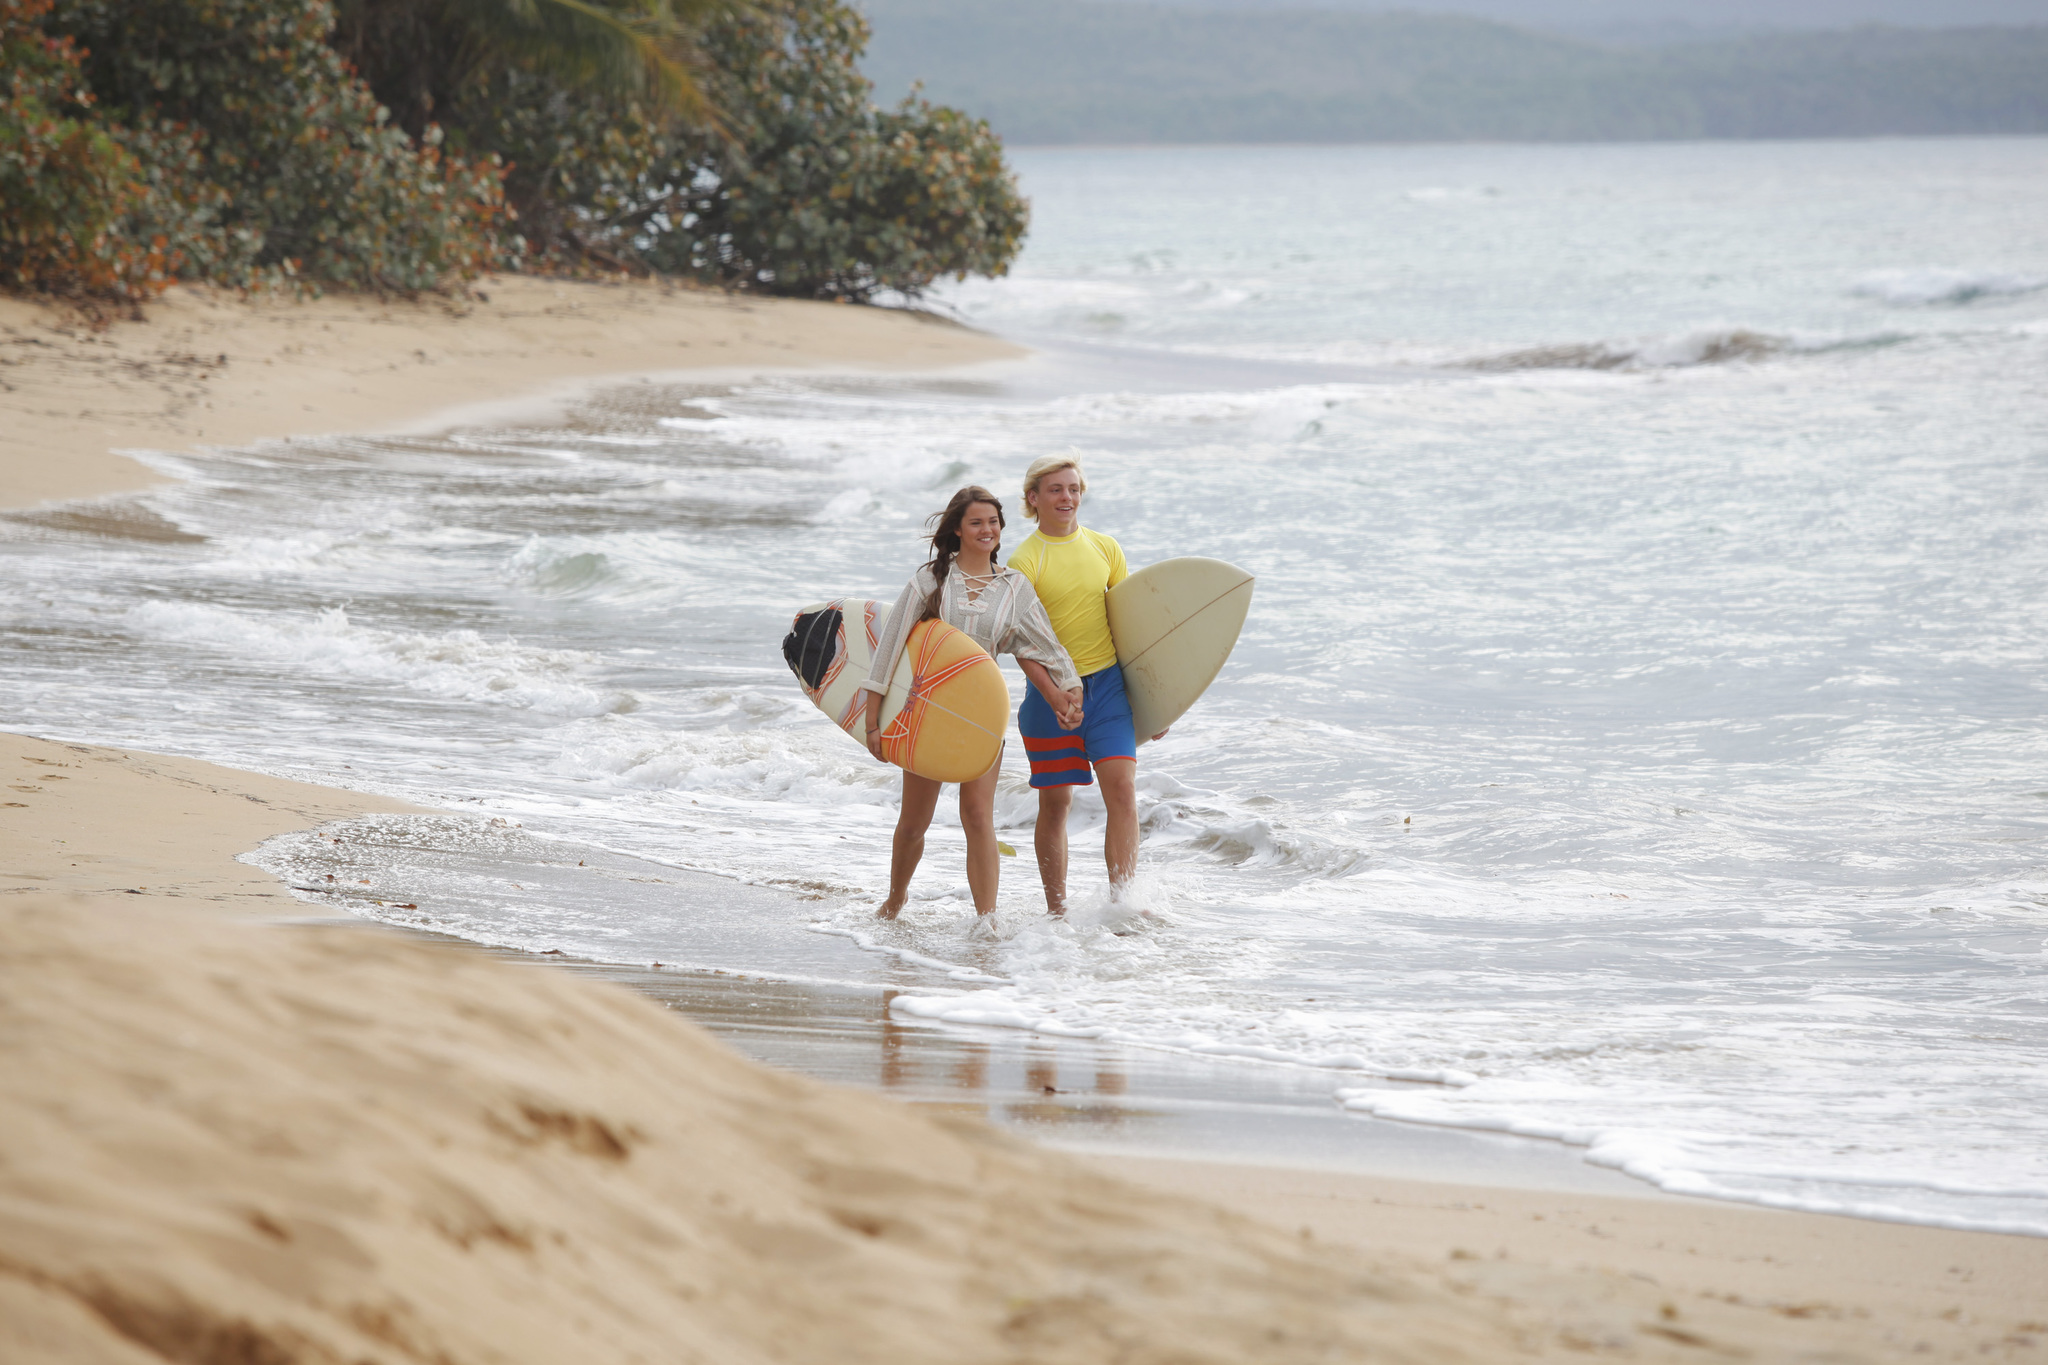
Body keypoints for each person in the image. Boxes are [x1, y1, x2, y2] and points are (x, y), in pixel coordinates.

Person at [861, 486, 1083, 923]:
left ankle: (988, 919)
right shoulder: (931, 580)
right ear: (958, 530)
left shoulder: (1013, 587)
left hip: (982, 717)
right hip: (927, 712)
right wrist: (873, 722)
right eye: (977, 522)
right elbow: (888, 648)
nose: (987, 530)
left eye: (994, 522)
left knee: (978, 815)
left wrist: (1069, 688)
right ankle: (895, 899)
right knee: (914, 822)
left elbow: (1044, 646)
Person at [1007, 455, 1164, 915]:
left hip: (1109, 689)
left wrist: (1159, 703)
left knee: (1122, 791)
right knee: (1056, 806)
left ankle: (1123, 905)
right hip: (1049, 697)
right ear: (1033, 498)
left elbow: (1131, 628)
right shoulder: (1024, 560)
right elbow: (1022, 644)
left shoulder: (1105, 548)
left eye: (1074, 488)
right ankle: (1057, 911)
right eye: (1055, 489)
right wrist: (1056, 695)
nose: (1067, 498)